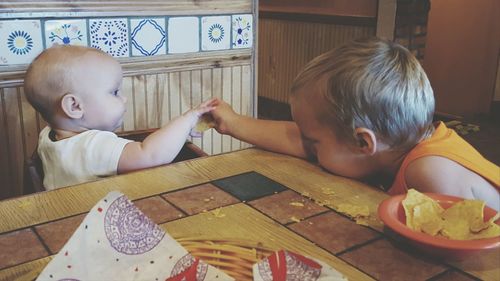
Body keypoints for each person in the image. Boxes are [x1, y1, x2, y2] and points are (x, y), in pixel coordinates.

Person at [210, 37, 500, 210]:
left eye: (314, 142)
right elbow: (296, 138)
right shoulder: (391, 147)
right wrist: (233, 123)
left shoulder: (430, 172)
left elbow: (469, 249)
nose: (307, 146)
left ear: (363, 142)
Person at [24, 45, 215, 190]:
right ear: (74, 106)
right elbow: (150, 154)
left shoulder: (47, 137)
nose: (123, 98)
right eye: (114, 92)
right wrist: (188, 118)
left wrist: (181, 133)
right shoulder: (94, 146)